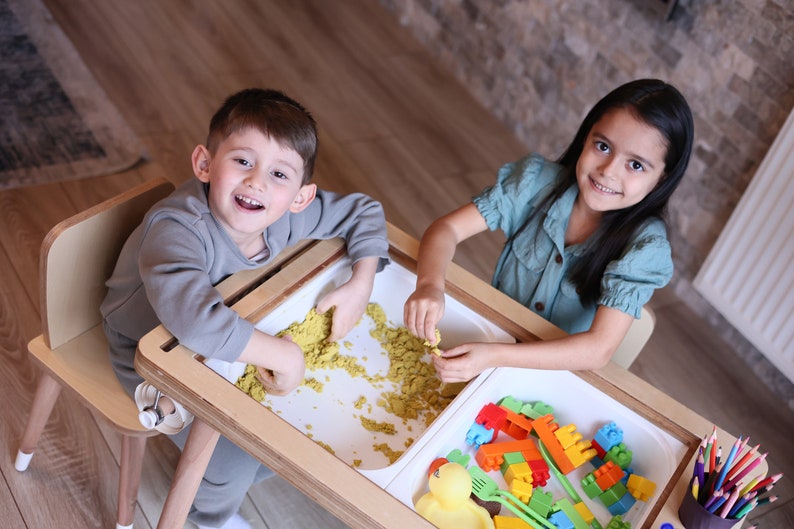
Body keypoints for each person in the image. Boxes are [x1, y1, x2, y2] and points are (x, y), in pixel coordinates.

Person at [101, 88, 390, 529]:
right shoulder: (178, 229)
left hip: (223, 336)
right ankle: (210, 517)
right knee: (229, 463)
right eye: (242, 161)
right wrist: (282, 354)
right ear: (204, 164)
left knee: (289, 436)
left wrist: (361, 283)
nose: (257, 182)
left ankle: (238, 472)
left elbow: (364, 212)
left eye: (279, 173)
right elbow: (192, 321)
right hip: (145, 346)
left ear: (300, 197)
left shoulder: (287, 217)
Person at [404, 79, 693, 382]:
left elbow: (597, 350)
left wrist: (494, 356)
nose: (608, 170)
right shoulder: (533, 181)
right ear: (586, 137)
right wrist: (429, 284)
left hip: (553, 377)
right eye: (603, 146)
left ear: (662, 178)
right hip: (490, 341)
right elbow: (447, 228)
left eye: (635, 165)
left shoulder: (645, 248)